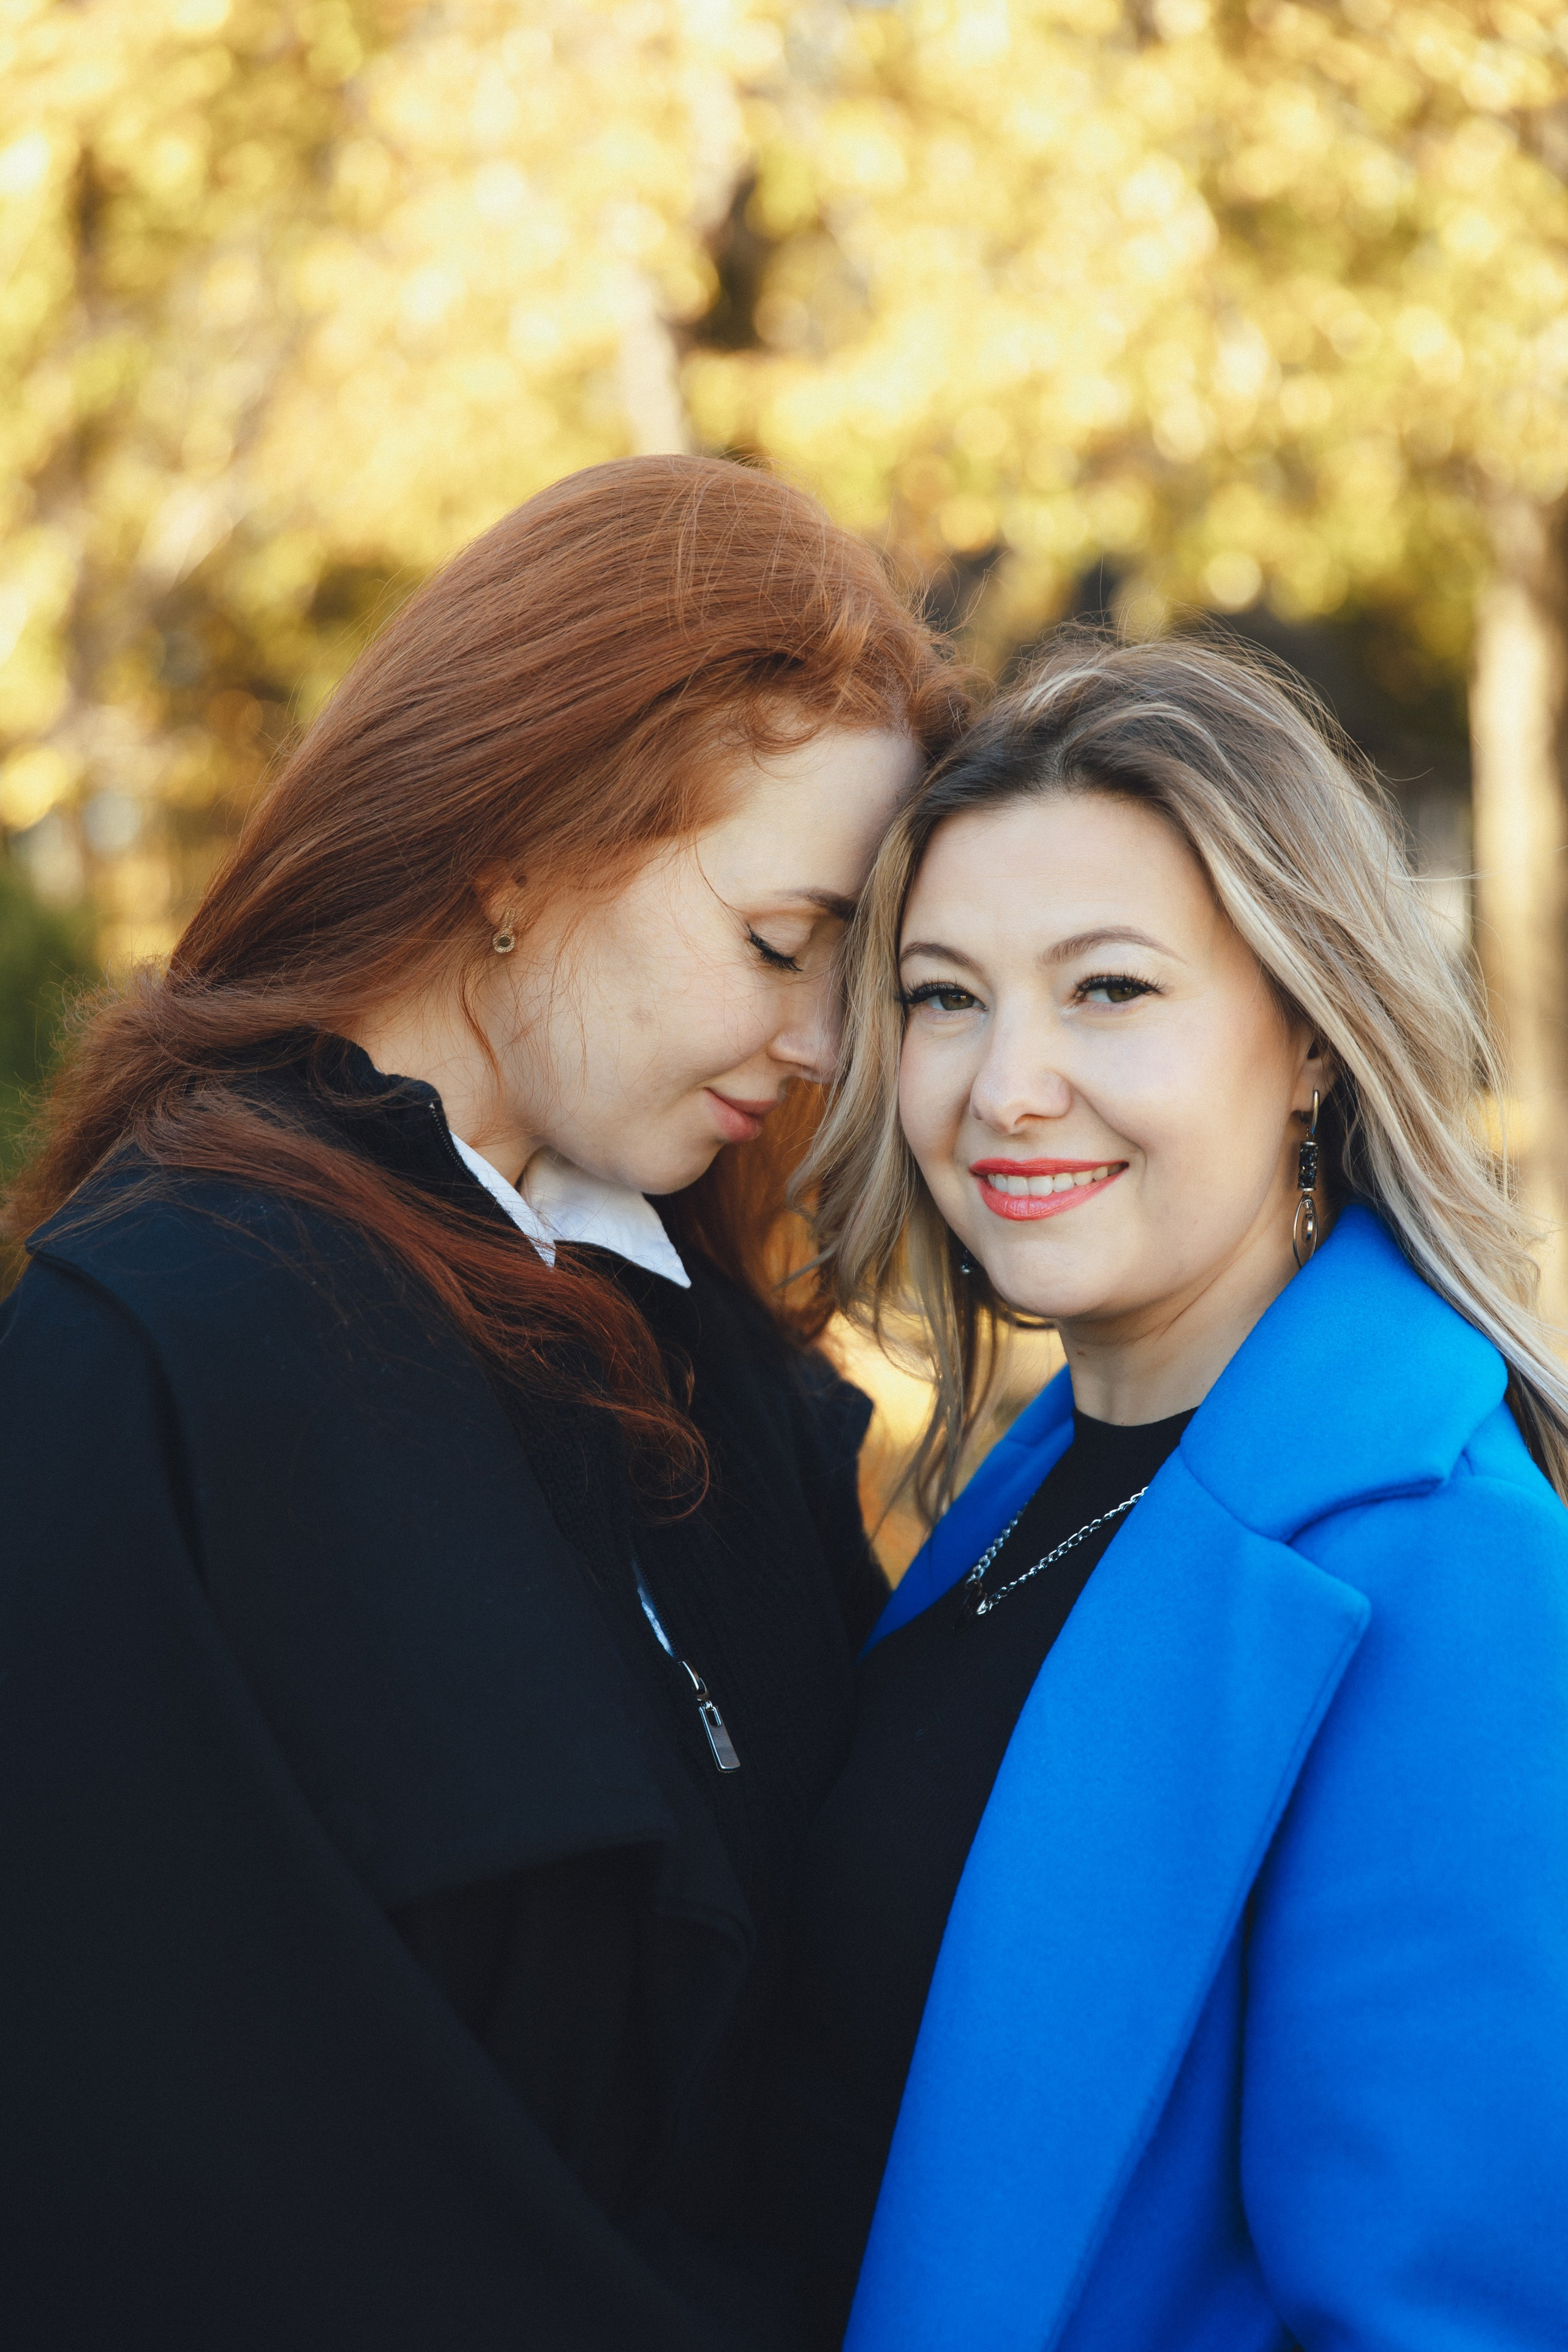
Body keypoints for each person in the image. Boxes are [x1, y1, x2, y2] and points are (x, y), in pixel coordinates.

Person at [0, 455, 965, 2350]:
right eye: (782, 944)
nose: (821, 1043)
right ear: (519, 844)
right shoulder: (154, 1352)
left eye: (857, 974)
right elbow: (159, 2161)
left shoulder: (722, 1367)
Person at [747, 634, 1568, 2350]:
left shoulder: (1459, 1575)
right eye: (944, 995)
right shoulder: (1050, 1474)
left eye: (1108, 989)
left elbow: (1446, 2315)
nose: (1005, 1085)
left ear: (1314, 1040)